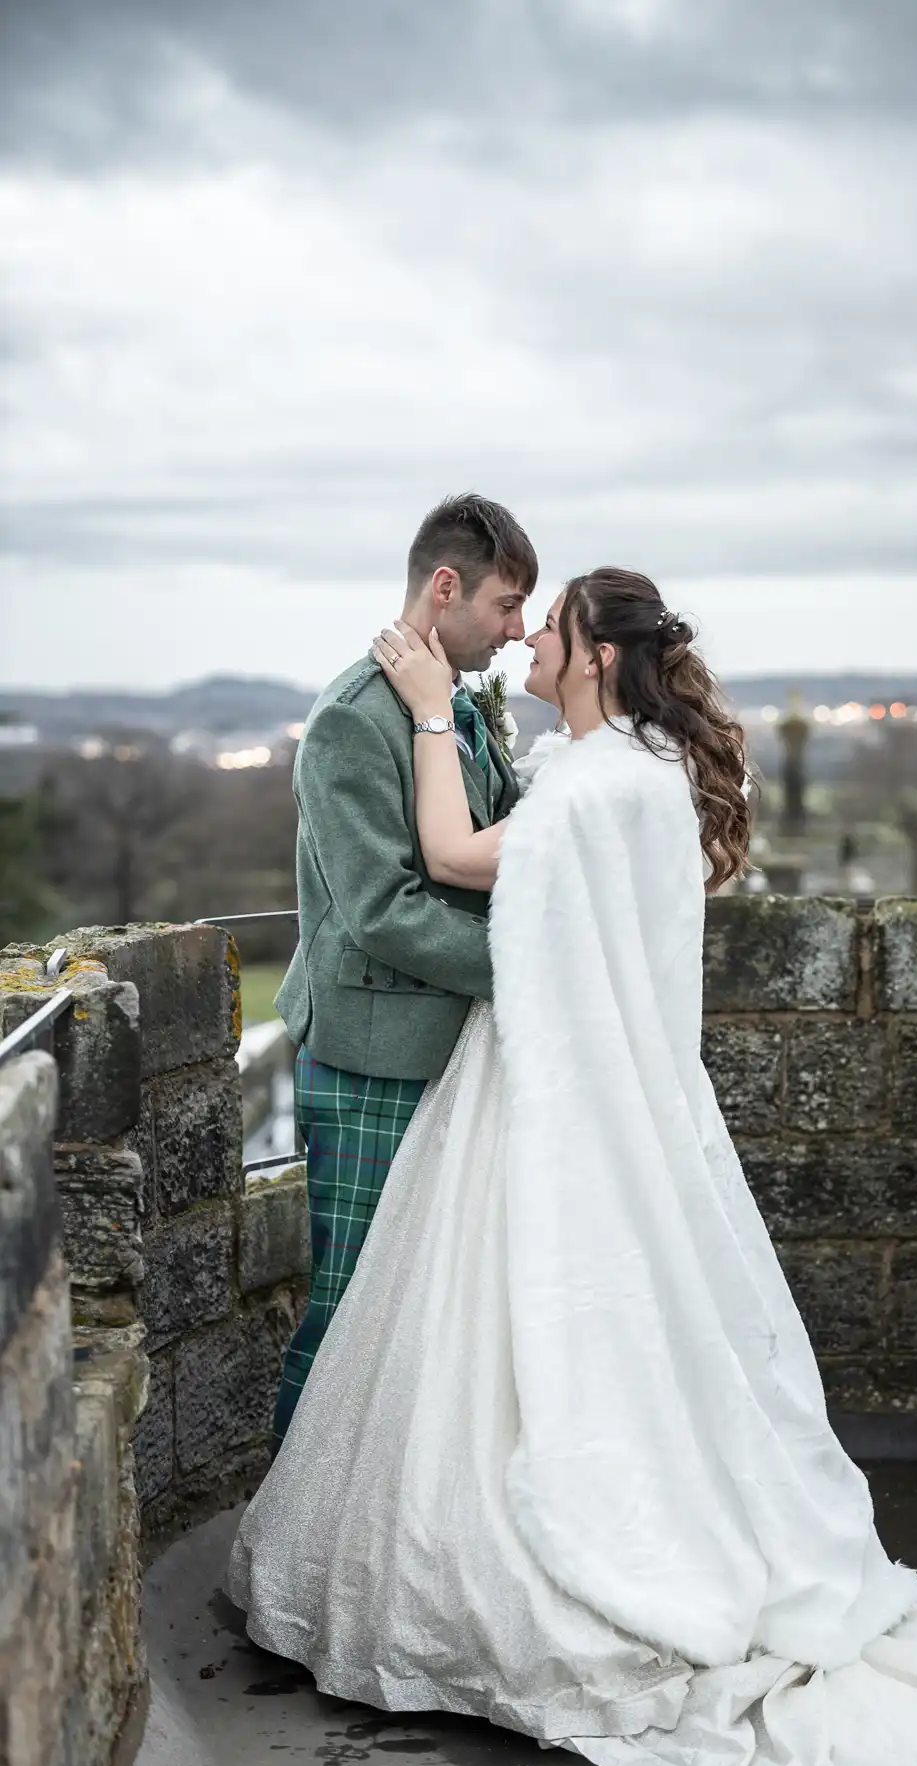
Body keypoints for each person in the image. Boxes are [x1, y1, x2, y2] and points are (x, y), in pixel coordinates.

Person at [230, 568, 917, 1766]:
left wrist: (431, 707)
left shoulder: (592, 787)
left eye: (551, 627)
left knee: (530, 1323)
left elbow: (441, 855)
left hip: (549, 1096)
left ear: (594, 657)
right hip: (634, 1097)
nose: (530, 639)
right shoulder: (646, 769)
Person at [268, 493, 536, 1442]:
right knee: (348, 1309)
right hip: (372, 1053)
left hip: (444, 1049)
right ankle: (284, 1548)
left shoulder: (446, 706)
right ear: (446, 586)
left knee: (423, 1312)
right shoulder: (352, 721)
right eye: (505, 607)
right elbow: (383, 911)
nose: (517, 630)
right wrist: (537, 966)